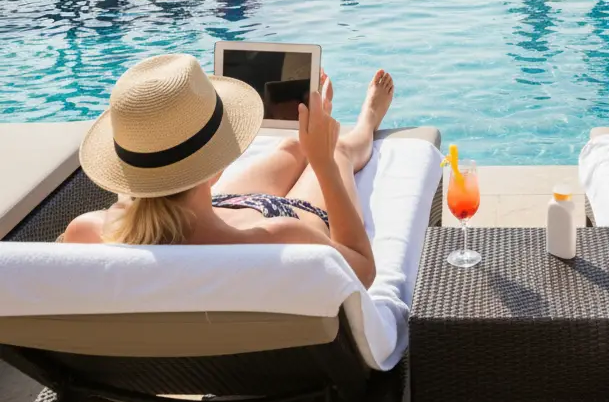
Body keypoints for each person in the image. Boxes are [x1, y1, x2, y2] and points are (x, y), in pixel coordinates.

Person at [60, 54, 394, 289]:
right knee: (337, 152)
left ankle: (310, 138)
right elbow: (363, 270)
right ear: (214, 167)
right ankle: (365, 123)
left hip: (204, 213)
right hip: (260, 218)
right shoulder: (282, 240)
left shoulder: (85, 232)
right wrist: (321, 163)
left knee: (292, 149)